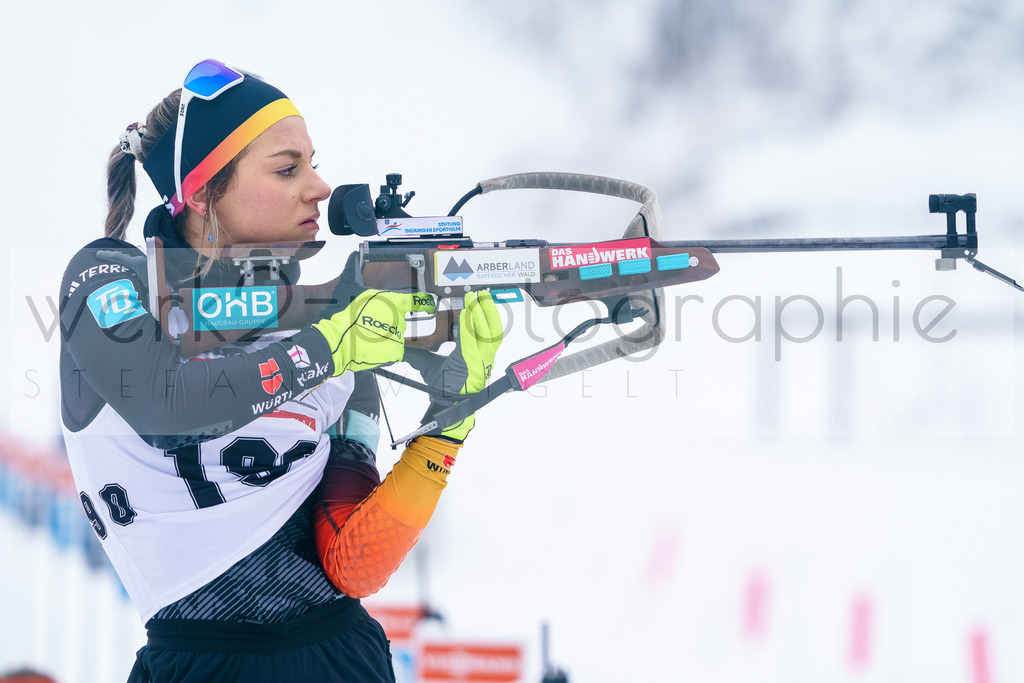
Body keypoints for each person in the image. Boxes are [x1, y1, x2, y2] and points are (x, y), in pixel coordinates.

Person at [59, 59, 503, 682]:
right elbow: (167, 405)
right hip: (198, 658)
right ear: (205, 189)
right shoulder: (109, 275)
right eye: (288, 168)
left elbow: (353, 565)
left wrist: (449, 424)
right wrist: (329, 346)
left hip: (341, 655)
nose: (320, 187)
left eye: (314, 164)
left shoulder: (334, 314)